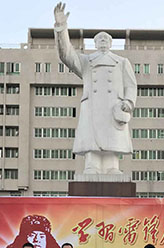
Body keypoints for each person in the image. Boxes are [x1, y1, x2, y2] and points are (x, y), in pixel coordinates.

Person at [54, 3, 137, 175]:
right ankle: (92, 165)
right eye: (100, 39)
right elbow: (66, 55)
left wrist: (128, 102)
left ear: (111, 43)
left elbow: (130, 84)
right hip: (92, 104)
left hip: (113, 106)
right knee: (92, 137)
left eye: (106, 39)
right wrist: (61, 27)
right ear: (95, 43)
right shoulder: (86, 61)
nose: (103, 41)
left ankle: (112, 166)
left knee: (112, 137)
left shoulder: (121, 62)